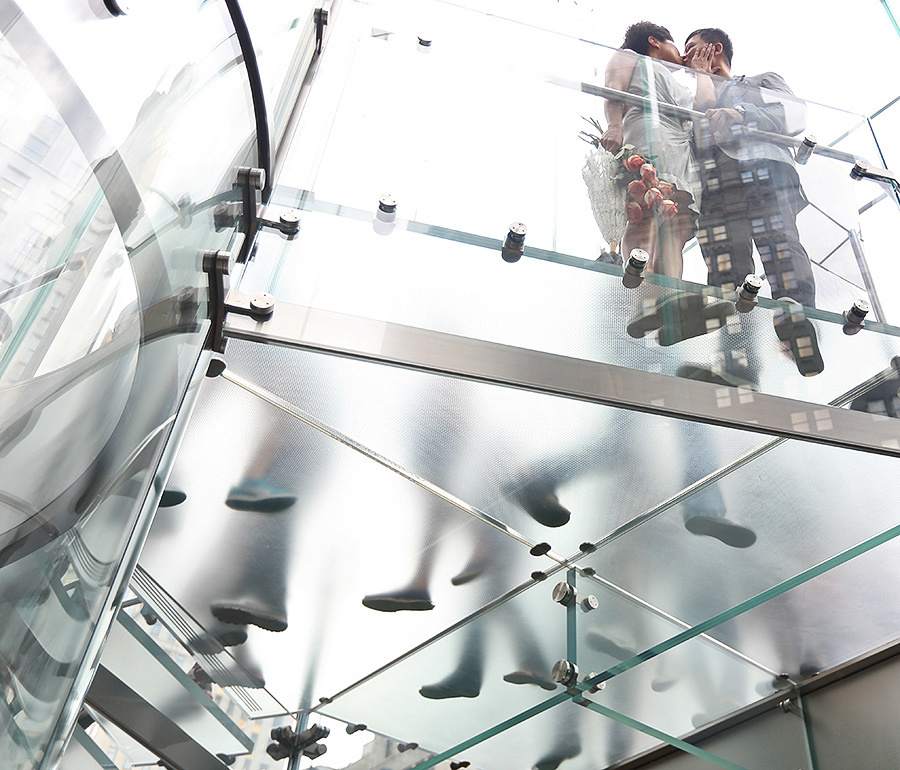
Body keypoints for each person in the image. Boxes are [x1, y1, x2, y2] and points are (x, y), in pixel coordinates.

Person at [684, 27, 823, 376]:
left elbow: (794, 116)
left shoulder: (760, 81)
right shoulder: (693, 101)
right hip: (716, 183)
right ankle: (735, 359)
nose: (685, 58)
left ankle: (796, 319)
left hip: (764, 170)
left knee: (781, 244)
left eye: (692, 49)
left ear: (715, 49)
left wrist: (743, 114)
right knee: (725, 261)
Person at [600, 22, 702, 278]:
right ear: (655, 41)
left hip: (681, 150)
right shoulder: (630, 56)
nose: (682, 53)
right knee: (643, 212)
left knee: (677, 223)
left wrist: (700, 72)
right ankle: (641, 286)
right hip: (649, 131)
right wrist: (614, 125)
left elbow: (703, 110)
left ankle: (669, 292)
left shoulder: (679, 84)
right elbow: (613, 89)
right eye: (676, 44)